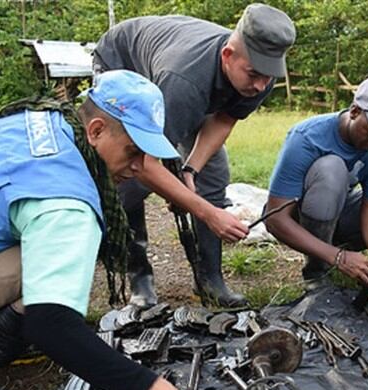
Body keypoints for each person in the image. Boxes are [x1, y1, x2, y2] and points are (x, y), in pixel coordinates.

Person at [0, 70, 189, 390]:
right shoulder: (66, 202)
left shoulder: (38, 120)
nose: (139, 167)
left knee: (50, 256)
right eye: (133, 151)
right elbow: (49, 321)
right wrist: (144, 387)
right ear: (97, 130)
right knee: (56, 266)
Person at [93, 5, 296, 308]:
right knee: (128, 180)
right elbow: (143, 163)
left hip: (182, 86)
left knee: (213, 174)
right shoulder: (184, 81)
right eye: (254, 75)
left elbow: (224, 120)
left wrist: (190, 170)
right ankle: (140, 278)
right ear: (228, 55)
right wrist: (206, 212)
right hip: (126, 63)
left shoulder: (262, 74)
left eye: (267, 77)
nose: (260, 86)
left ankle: (209, 281)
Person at [264, 77, 368, 285]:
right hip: (301, 217)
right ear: (355, 111)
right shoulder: (306, 138)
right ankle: (317, 269)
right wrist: (338, 258)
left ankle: (338, 248)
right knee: (332, 169)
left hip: (341, 206)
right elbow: (274, 219)